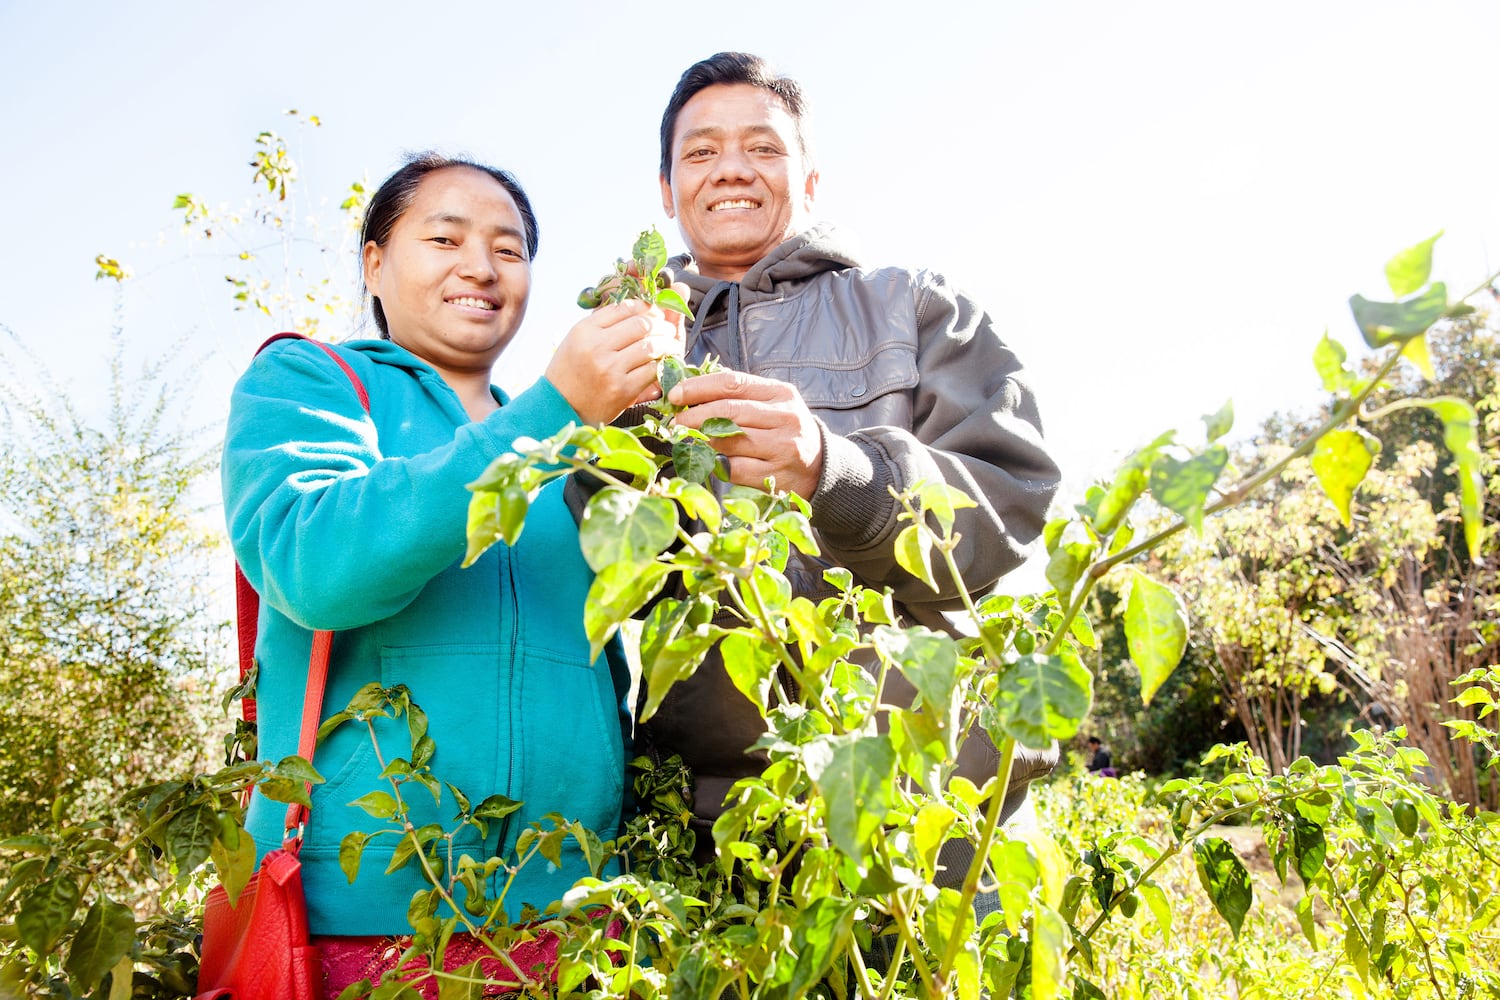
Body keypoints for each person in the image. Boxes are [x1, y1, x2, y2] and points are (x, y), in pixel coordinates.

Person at [222, 153, 682, 998]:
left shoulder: (577, 458)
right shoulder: (315, 383)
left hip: (569, 925)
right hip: (365, 924)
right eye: (445, 238)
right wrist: (556, 411)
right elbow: (316, 566)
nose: (481, 266)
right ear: (374, 263)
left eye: (509, 249)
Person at [638, 53, 1064, 868]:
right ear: (667, 189)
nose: (731, 169)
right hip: (724, 834)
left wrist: (834, 471)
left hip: (933, 811)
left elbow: (1011, 495)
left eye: (763, 147)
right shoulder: (637, 350)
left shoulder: (910, 306)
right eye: (701, 152)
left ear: (809, 178)